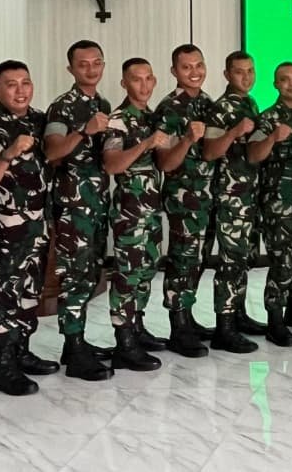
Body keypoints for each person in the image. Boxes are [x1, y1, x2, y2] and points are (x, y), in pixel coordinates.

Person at [0, 60, 58, 398]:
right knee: (4, 297)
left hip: (36, 227)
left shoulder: (40, 121)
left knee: (29, 294)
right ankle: (3, 368)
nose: (20, 90)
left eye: (26, 82)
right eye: (11, 84)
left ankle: (22, 352)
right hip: (5, 232)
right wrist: (7, 154)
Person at [43, 40, 114, 382]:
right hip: (73, 206)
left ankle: (77, 344)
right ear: (70, 69)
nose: (91, 69)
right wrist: (84, 131)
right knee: (74, 276)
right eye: (83, 64)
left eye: (96, 62)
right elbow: (53, 151)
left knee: (89, 274)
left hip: (97, 203)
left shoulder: (103, 104)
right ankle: (73, 348)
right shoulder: (62, 108)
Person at [102, 58, 170, 371]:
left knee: (146, 270)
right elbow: (112, 164)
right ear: (124, 83)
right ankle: (124, 341)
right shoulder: (119, 119)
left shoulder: (151, 116)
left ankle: (137, 327)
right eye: (136, 79)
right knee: (127, 274)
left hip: (151, 209)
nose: (143, 85)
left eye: (148, 79)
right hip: (130, 209)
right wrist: (146, 144)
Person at [247, 62, 292, 347]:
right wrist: (274, 137)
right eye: (284, 79)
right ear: (276, 84)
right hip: (279, 202)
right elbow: (253, 154)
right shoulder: (268, 117)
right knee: (282, 261)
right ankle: (275, 319)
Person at [153, 44, 216, 357]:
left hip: (208, 195)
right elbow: (165, 162)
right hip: (184, 196)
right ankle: (178, 326)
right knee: (182, 260)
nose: (195, 72)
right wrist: (189, 139)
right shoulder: (169, 108)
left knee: (199, 259)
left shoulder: (208, 103)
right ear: (174, 71)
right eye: (187, 67)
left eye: (199, 65)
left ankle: (188, 317)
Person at [202, 51, 263, 353]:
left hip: (248, 195)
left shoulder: (249, 103)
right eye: (239, 72)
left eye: (250, 71)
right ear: (227, 75)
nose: (246, 77)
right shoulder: (221, 108)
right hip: (229, 196)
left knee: (242, 259)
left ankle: (238, 314)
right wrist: (235, 132)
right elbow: (210, 151)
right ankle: (224, 327)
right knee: (230, 261)